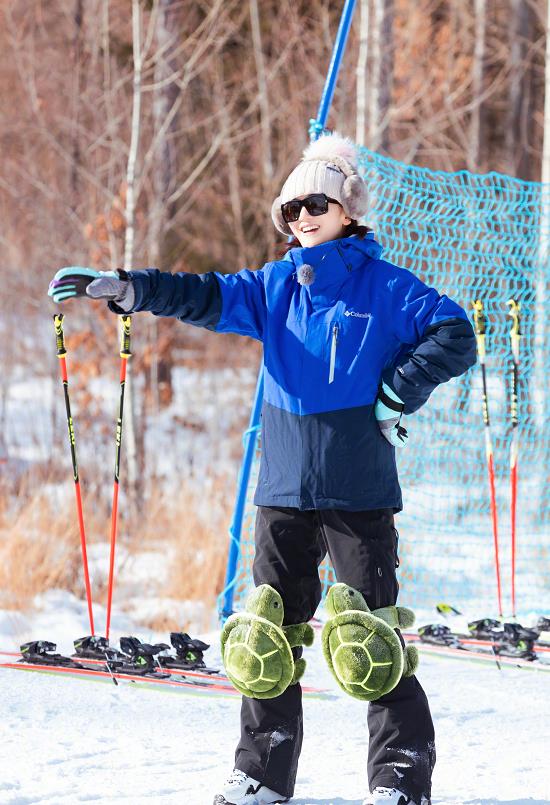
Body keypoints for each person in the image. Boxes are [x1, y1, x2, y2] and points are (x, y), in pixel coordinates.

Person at [49, 132, 477, 805]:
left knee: (371, 638)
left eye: (316, 202)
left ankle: (399, 778)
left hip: (358, 489)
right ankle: (261, 771)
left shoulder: (385, 286)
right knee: (265, 636)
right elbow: (203, 294)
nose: (302, 216)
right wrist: (132, 287)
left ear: (346, 209)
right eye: (290, 208)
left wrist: (398, 388)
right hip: (281, 489)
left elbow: (456, 333)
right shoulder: (275, 286)